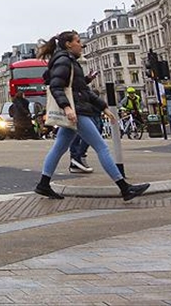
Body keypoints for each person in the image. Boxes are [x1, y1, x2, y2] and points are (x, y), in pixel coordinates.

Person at [32, 31, 149, 202]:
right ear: (68, 44)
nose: (82, 45)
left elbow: (83, 90)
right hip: (76, 112)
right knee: (101, 147)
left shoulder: (69, 61)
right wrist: (67, 108)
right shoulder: (64, 61)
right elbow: (56, 86)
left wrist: (103, 107)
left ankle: (43, 184)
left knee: (58, 148)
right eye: (78, 41)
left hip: (76, 110)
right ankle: (125, 188)